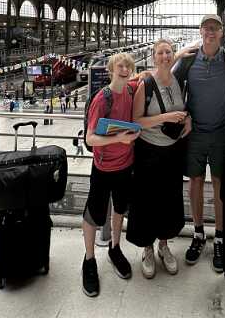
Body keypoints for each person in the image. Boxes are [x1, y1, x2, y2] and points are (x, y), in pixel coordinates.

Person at [173, 14, 225, 273]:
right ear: (200, 31)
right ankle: (198, 234)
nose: (210, 31)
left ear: (221, 33)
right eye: (206, 27)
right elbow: (169, 84)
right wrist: (183, 115)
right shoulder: (188, 60)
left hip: (222, 133)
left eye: (215, 28)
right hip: (194, 133)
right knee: (194, 182)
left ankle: (220, 236)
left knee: (220, 185)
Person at [127, 39, 189, 279]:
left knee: (169, 199)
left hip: (172, 152)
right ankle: (147, 249)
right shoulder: (146, 83)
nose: (165, 56)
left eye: (168, 52)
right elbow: (136, 121)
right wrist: (165, 117)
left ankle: (164, 246)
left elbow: (184, 109)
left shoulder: (178, 80)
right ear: (154, 57)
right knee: (146, 201)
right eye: (160, 52)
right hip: (148, 151)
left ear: (173, 56)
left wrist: (187, 119)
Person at [80, 52, 139, 298]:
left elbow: (150, 74)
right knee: (94, 213)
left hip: (126, 165)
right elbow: (90, 138)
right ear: (111, 69)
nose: (124, 70)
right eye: (120, 66)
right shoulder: (102, 98)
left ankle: (115, 247)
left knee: (119, 208)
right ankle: (89, 260)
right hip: (103, 167)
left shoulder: (131, 91)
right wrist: (120, 138)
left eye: (128, 67)